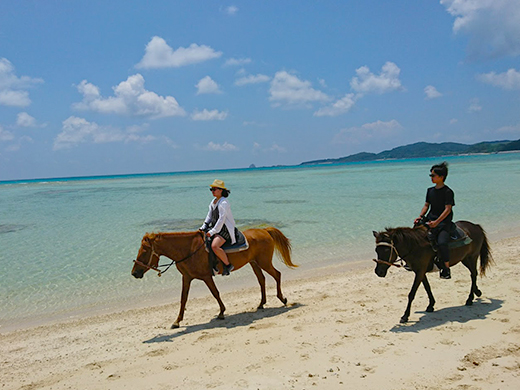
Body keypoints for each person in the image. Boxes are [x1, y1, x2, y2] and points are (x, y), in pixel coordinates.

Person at [414, 162, 455, 279]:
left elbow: (448, 209)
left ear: (441, 177)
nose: (431, 178)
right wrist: (420, 216)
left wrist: (437, 222)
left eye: (433, 175)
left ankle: (446, 269)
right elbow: (426, 205)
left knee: (442, 243)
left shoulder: (448, 192)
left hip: (443, 222)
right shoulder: (430, 190)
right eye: (431, 175)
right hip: (430, 219)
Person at [199, 179, 236, 276]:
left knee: (214, 246)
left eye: (214, 189)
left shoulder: (224, 202)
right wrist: (204, 226)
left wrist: (213, 231)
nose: (212, 191)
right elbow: (209, 216)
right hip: (215, 227)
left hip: (224, 229)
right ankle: (213, 264)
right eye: (211, 189)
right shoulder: (213, 201)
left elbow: (221, 219)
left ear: (221, 190)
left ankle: (228, 265)